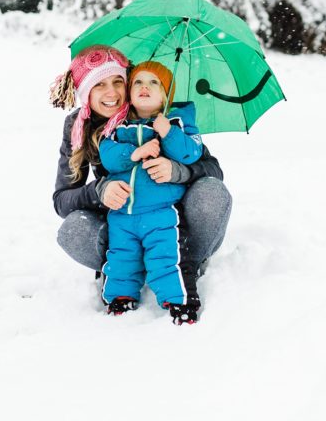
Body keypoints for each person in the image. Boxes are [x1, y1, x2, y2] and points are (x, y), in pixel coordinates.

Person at [50, 46, 231, 313]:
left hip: (171, 219)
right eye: (99, 85)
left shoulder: (154, 112)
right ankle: (125, 268)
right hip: (123, 220)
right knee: (73, 230)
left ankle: (185, 262)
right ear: (85, 92)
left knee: (212, 191)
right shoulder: (78, 126)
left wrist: (176, 170)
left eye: (118, 82)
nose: (111, 93)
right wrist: (101, 190)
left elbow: (213, 169)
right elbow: (62, 201)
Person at [97, 61, 202, 324]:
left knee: (165, 256)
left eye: (155, 82)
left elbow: (191, 153)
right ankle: (120, 296)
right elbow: (107, 157)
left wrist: (168, 133)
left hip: (161, 212)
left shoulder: (176, 123)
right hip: (122, 212)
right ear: (130, 93)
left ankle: (179, 301)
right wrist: (134, 153)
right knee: (121, 256)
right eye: (139, 82)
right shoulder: (118, 127)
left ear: (166, 95)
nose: (145, 87)